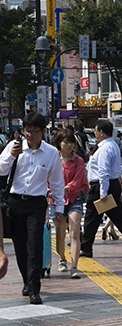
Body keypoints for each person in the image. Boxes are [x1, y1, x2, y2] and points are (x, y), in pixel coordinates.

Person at [0, 113, 65, 304]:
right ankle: (27, 282)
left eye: (34, 132)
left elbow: (57, 181)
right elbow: (0, 170)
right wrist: (10, 158)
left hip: (37, 203)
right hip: (15, 202)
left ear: (43, 132)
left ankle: (35, 288)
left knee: (35, 244)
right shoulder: (13, 147)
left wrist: (59, 206)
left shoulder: (51, 152)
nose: (29, 135)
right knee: (20, 247)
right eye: (27, 131)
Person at [80, 120, 122, 259]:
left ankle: (86, 248)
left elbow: (103, 171)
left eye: (96, 130)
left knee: (91, 218)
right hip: (111, 184)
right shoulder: (112, 145)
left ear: (101, 132)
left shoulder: (104, 148)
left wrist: (103, 192)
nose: (95, 133)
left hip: (102, 186)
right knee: (118, 217)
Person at [50, 128, 89, 279]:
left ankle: (75, 266)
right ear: (59, 143)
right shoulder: (53, 160)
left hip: (74, 198)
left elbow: (78, 180)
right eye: (65, 142)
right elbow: (47, 177)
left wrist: (62, 188)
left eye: (71, 142)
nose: (69, 145)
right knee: (60, 233)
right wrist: (49, 190)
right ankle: (62, 259)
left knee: (74, 232)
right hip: (56, 200)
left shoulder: (78, 160)